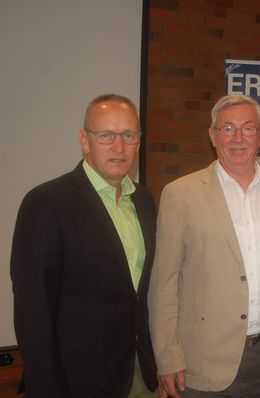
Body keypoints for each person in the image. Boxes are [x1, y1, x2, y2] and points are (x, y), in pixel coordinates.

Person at [148, 94, 260, 398]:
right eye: (228, 128)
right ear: (212, 135)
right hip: (202, 365)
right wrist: (167, 358)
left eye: (248, 128)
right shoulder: (180, 195)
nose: (238, 138)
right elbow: (163, 286)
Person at [10, 94, 158, 397]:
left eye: (129, 135)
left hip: (141, 375)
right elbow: (33, 312)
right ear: (85, 140)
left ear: (139, 141)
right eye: (106, 135)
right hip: (79, 383)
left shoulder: (144, 201)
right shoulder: (47, 203)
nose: (119, 147)